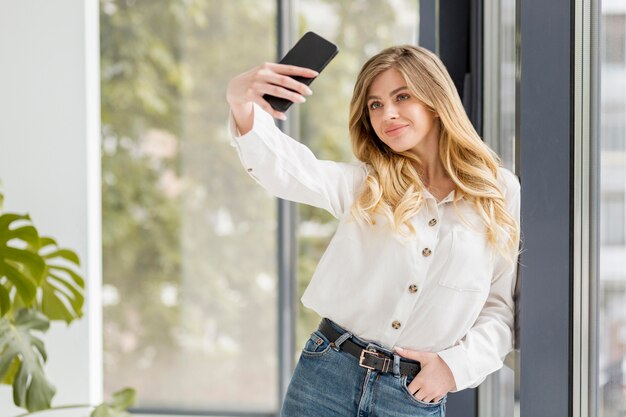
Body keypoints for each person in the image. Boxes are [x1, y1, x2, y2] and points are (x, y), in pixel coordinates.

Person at [226, 44, 521, 417]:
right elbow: (286, 169)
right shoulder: (366, 185)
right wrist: (241, 103)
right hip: (326, 376)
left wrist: (454, 369)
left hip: (413, 393)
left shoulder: (498, 191)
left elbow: (498, 308)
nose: (388, 114)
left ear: (435, 100)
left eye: (402, 97)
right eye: (375, 105)